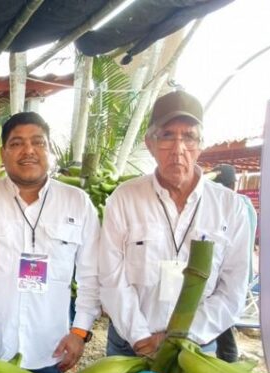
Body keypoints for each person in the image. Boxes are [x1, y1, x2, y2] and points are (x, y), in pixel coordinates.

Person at [99, 91, 251, 357]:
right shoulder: (124, 199)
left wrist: (183, 336)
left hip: (197, 346)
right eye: (168, 136)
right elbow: (111, 278)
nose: (179, 149)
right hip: (131, 345)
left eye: (189, 137)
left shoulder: (230, 207)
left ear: (201, 144)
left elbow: (233, 289)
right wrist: (140, 336)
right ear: (150, 143)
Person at [0, 112, 101, 373]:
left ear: (48, 149)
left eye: (37, 142)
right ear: (3, 153)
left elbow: (92, 277)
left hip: (50, 351)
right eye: (17, 143)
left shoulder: (77, 203)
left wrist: (80, 332)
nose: (28, 150)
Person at [209, 163, 258, 363]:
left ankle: (229, 360)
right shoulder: (246, 204)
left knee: (221, 322)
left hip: (225, 274)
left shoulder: (232, 205)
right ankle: (228, 358)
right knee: (222, 319)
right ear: (233, 183)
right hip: (239, 272)